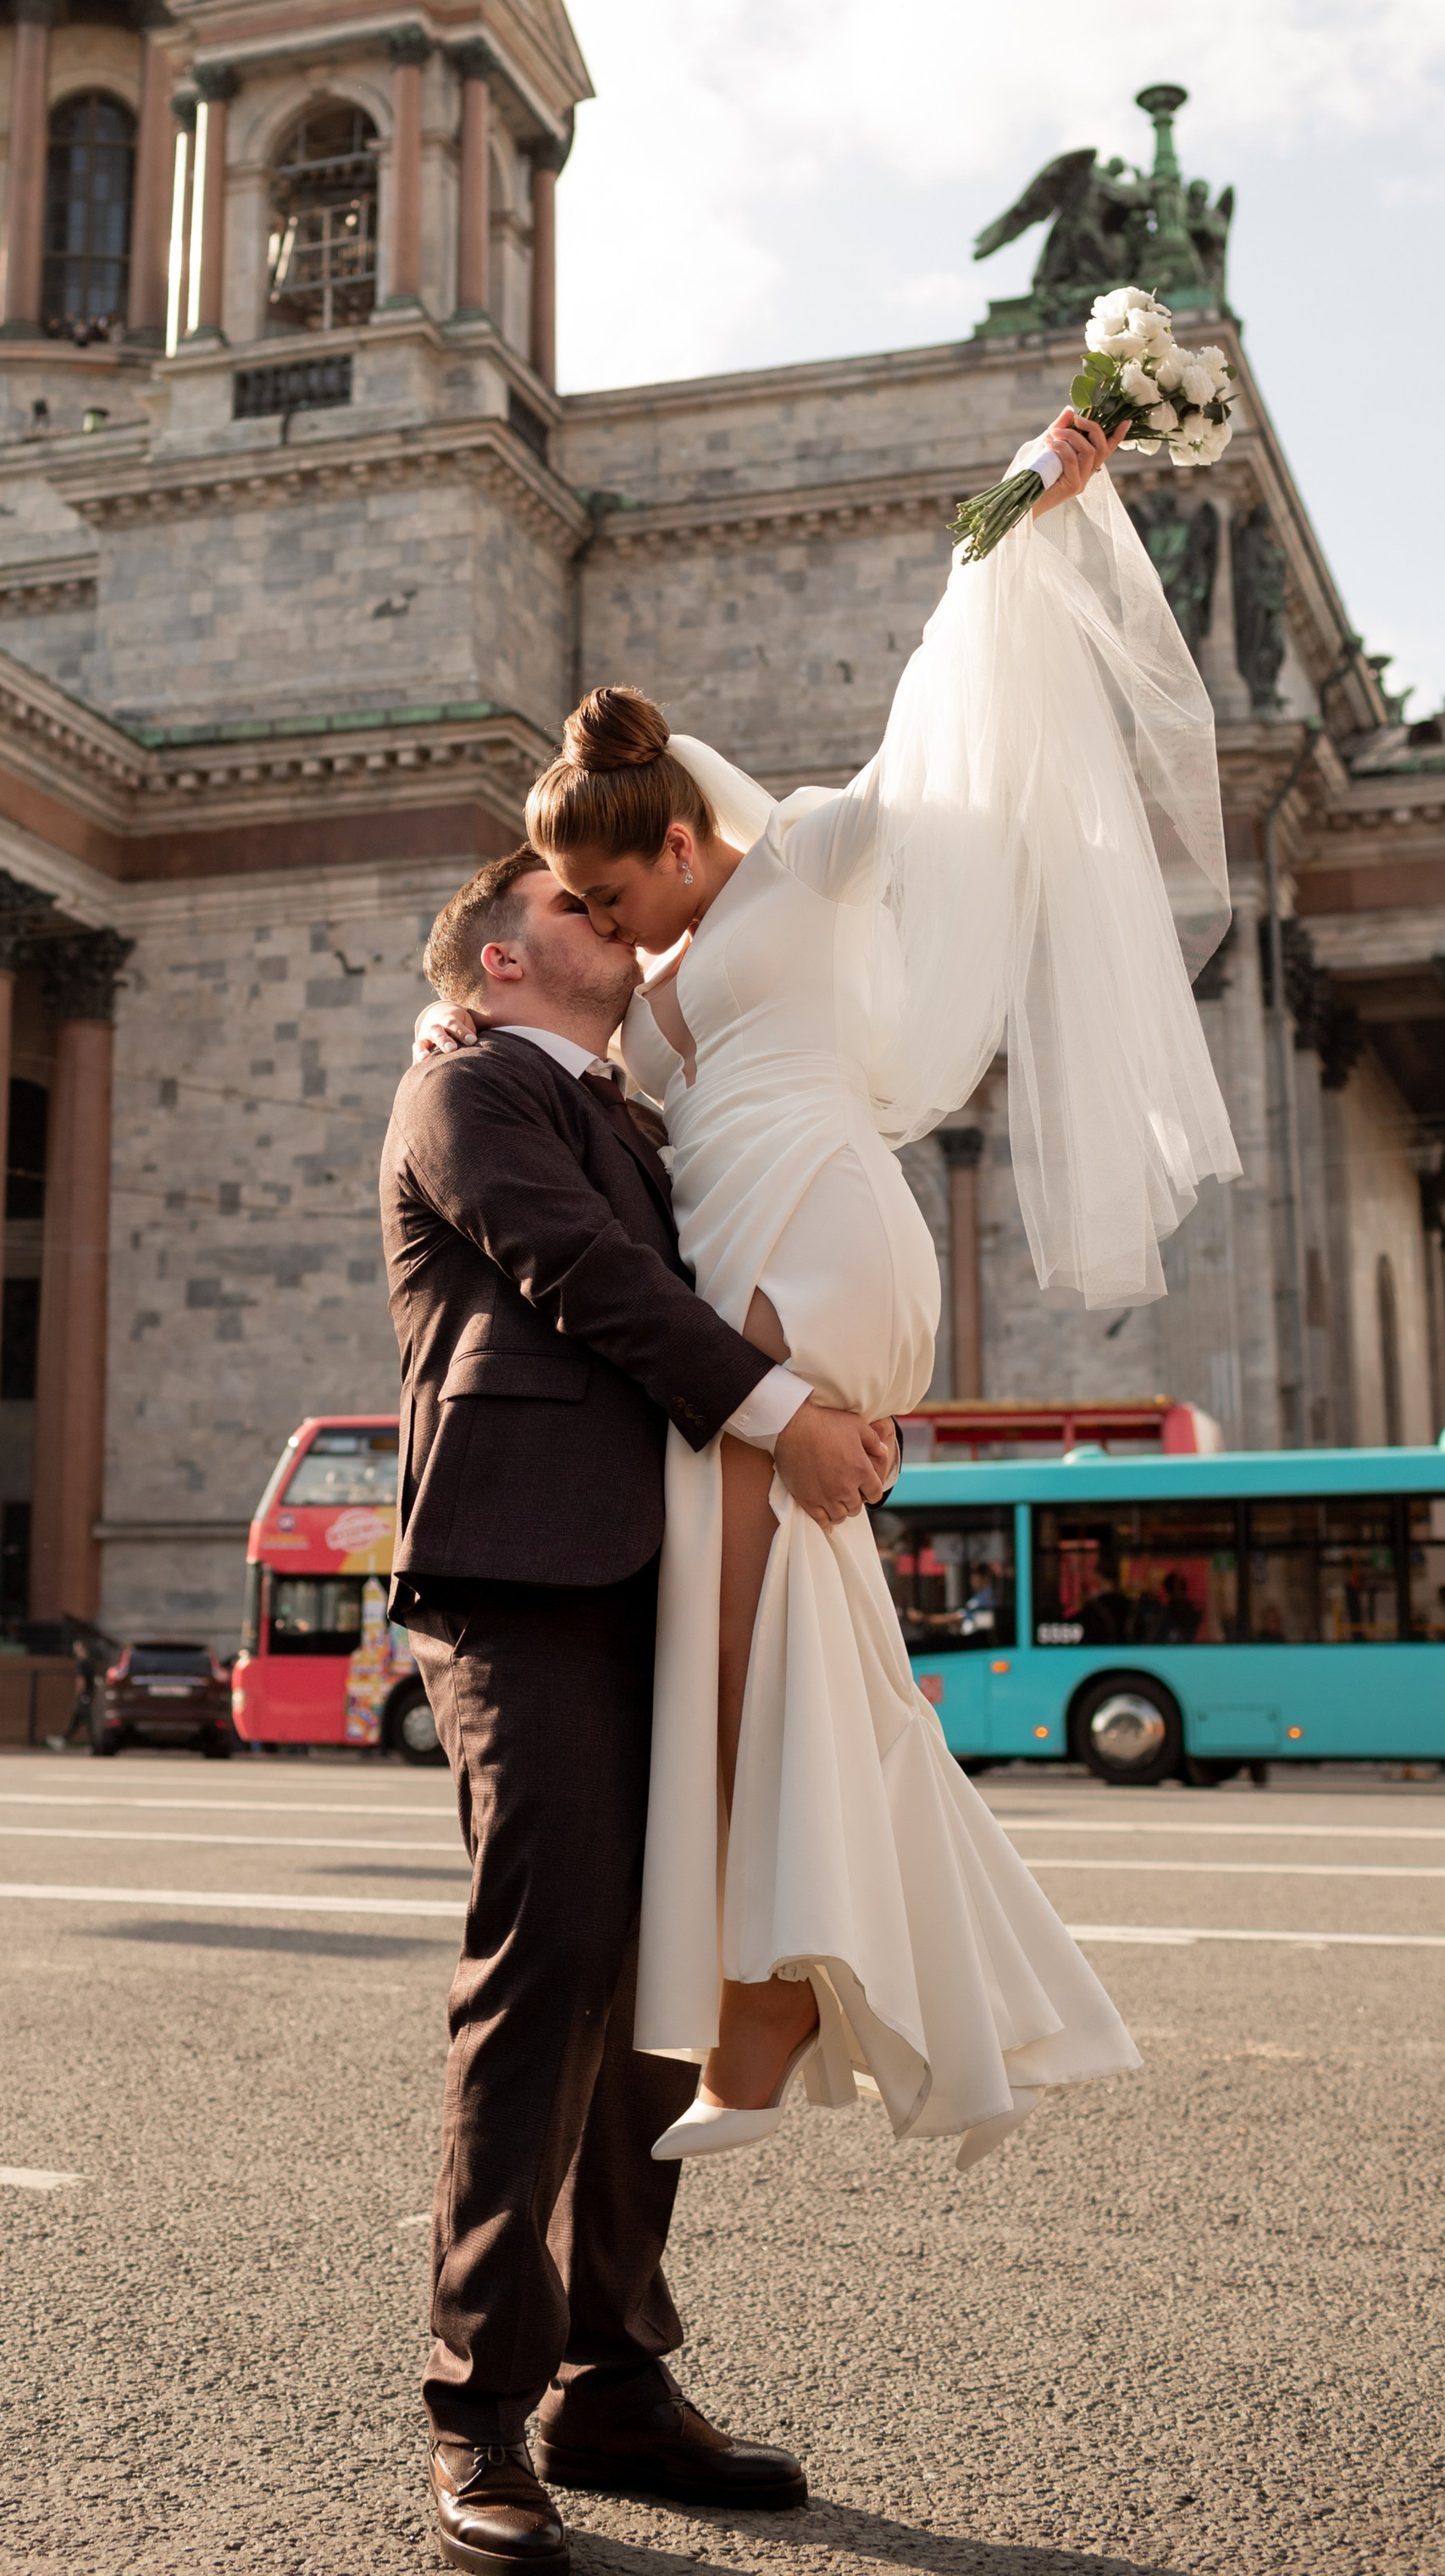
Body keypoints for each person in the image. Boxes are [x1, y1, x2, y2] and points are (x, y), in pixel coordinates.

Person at [415, 402, 1234, 2170]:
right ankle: (818, 1994)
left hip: (816, 1232)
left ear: (676, 843)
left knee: (733, 1613)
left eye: (612, 897)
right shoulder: (652, 982)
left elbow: (939, 720)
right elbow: (572, 1088)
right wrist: (450, 1016)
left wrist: (1019, 506)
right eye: (585, 912)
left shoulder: (802, 851)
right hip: (739, 1249)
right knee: (799, 1629)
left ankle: (763, 2000)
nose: (609, 930)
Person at [382, 849, 898, 2562]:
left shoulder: (644, 1119)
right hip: (527, 1573)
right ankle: (476, 2412)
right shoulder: (463, 1091)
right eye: (572, 906)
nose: (611, 918)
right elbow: (584, 1277)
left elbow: (739, 1262)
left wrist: (846, 1392)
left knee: (660, 1975)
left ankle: (610, 2376)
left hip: (676, 1570)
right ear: (494, 959)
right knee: (544, 1980)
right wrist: (781, 1414)